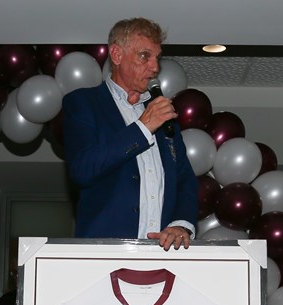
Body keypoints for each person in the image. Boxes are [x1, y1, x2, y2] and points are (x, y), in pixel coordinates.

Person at [62, 17, 198, 251]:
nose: (155, 67)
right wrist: (143, 128)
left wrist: (181, 224)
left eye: (157, 58)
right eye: (145, 56)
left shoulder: (161, 112)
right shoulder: (84, 102)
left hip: (164, 254)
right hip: (104, 252)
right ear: (116, 54)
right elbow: (83, 169)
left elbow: (184, 177)